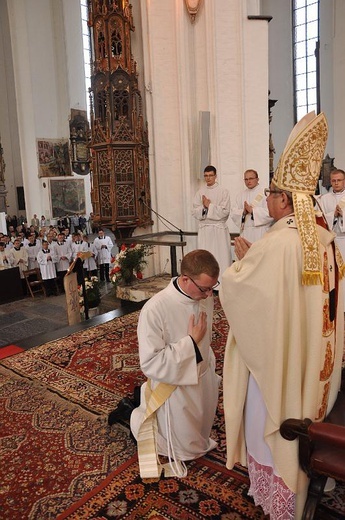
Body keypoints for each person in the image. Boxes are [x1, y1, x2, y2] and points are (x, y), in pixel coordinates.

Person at [219, 112, 344, 519]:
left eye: (272, 192)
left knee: (264, 413)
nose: (267, 199)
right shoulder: (324, 242)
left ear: (286, 200)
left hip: (283, 364)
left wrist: (241, 266)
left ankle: (278, 483)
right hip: (315, 361)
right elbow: (295, 294)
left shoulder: (279, 243)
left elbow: (247, 295)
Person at [117, 249, 222, 479]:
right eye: (204, 289)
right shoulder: (156, 309)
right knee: (185, 449)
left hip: (201, 378)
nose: (208, 295)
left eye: (212, 288)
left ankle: (138, 400)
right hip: (174, 389)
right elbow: (151, 362)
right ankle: (132, 412)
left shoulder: (204, 294)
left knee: (199, 435)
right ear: (185, 279)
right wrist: (191, 343)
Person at [192, 165, 231, 281]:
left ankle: (222, 283)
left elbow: (225, 212)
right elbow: (194, 212)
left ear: (215, 176)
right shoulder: (200, 192)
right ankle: (206, 282)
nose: (208, 178)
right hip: (205, 231)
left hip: (219, 231)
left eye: (210, 175)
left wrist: (209, 206)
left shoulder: (223, 191)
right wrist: (204, 208)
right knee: (205, 258)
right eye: (206, 176)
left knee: (221, 257)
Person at [318, 169, 345, 307]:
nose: (336, 183)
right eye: (333, 181)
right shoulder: (325, 199)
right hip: (331, 241)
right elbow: (321, 218)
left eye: (339, 180)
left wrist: (343, 215)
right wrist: (333, 215)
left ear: (344, 181)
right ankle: (337, 306)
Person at [230, 169, 273, 242]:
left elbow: (271, 212)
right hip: (246, 232)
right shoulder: (241, 195)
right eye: (246, 179)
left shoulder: (265, 193)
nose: (248, 181)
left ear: (257, 179)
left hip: (260, 232)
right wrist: (243, 212)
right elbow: (233, 212)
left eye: (251, 178)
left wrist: (253, 211)